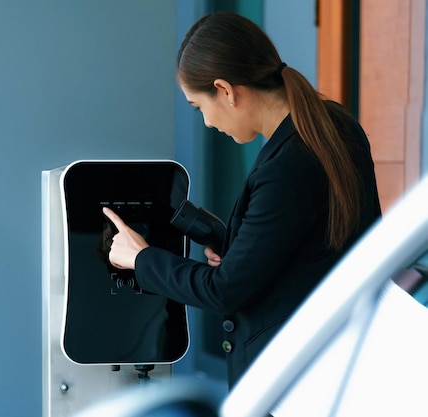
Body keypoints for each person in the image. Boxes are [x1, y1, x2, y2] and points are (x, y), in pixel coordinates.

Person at [102, 11, 381, 389]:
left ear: (226, 90)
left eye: (199, 107)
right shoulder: (337, 126)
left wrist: (141, 259)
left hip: (290, 379)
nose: (207, 124)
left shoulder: (286, 167)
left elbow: (223, 290)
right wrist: (238, 246)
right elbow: (314, 247)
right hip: (341, 360)